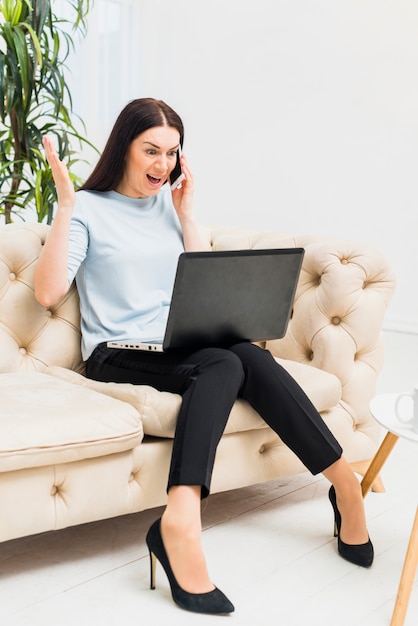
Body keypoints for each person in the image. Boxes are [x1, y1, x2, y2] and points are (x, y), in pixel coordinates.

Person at [34, 97, 374, 615]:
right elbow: (47, 292)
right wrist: (64, 207)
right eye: (151, 150)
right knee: (226, 362)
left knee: (245, 354)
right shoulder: (88, 210)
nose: (162, 165)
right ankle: (181, 520)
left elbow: (204, 288)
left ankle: (345, 485)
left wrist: (187, 215)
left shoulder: (170, 208)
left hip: (180, 342)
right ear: (123, 147)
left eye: (172, 153)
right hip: (116, 351)